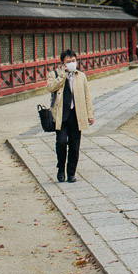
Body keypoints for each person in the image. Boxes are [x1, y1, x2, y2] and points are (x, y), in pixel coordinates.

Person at [45, 50, 95, 184]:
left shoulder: (81, 76)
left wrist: (90, 115)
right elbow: (50, 88)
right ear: (63, 63)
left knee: (74, 146)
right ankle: (61, 169)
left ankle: (71, 172)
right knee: (61, 143)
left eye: (73, 61)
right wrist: (62, 76)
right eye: (68, 61)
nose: (72, 63)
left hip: (76, 115)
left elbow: (87, 96)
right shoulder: (54, 74)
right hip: (61, 115)